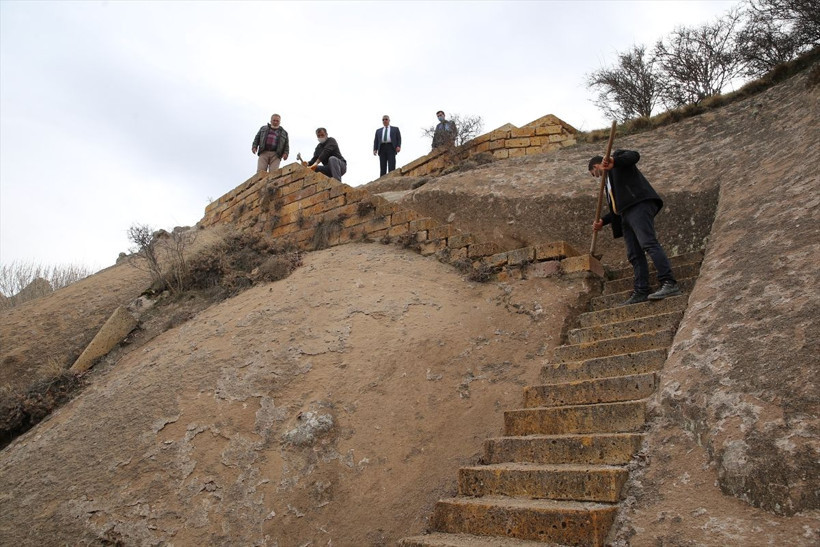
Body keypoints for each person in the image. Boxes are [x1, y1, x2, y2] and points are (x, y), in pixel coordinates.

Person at [589, 150, 681, 305]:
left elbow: (634, 155)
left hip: (638, 205)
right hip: (625, 214)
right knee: (634, 254)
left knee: (648, 243)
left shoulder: (617, 159)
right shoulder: (608, 184)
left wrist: (613, 160)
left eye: (593, 172)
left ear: (595, 165)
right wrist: (603, 221)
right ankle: (641, 290)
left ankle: (669, 282)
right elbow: (616, 209)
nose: (595, 176)